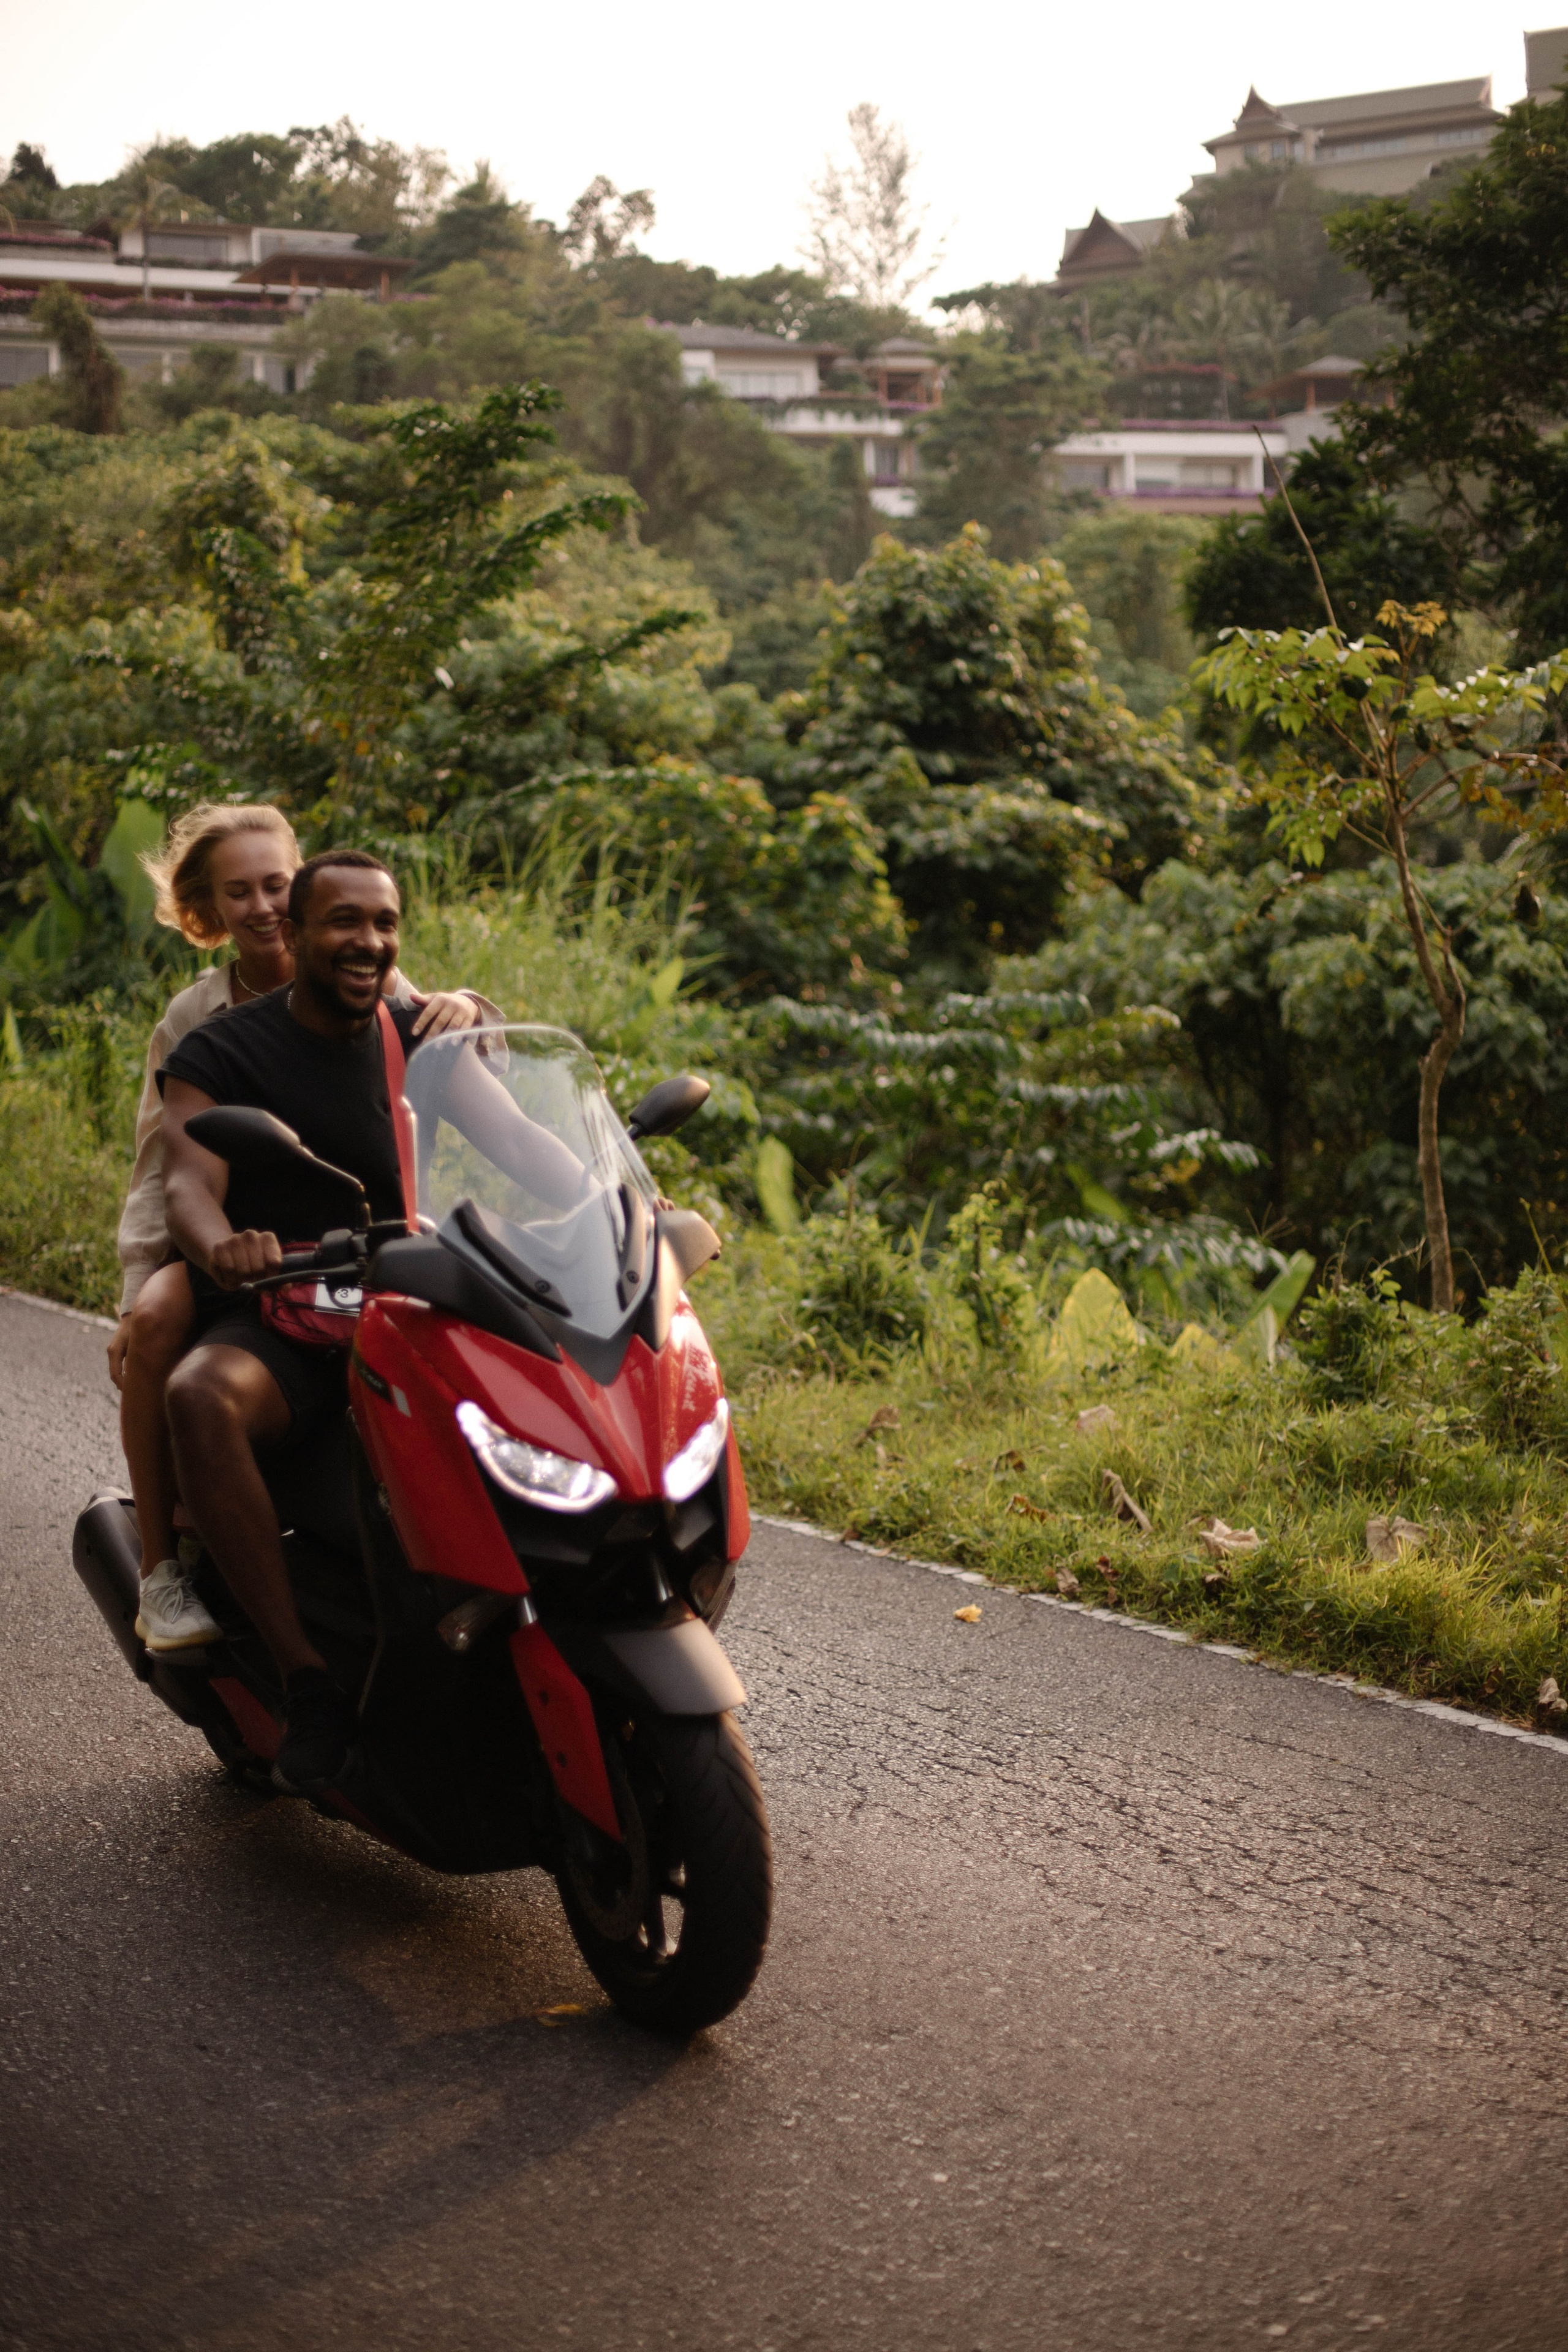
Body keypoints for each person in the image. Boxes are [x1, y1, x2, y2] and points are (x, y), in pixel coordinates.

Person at [159, 848, 585, 1793]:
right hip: (284, 1312)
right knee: (200, 1396)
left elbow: (519, 1138)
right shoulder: (223, 1053)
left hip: (401, 1307)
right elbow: (188, 1182)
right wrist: (225, 1242)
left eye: (384, 924)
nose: (368, 942)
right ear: (296, 932)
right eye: (344, 922)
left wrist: (618, 1209)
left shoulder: (415, 1041)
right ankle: (306, 1681)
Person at [109, 804, 493, 1654]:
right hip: (248, 1242)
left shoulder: (366, 979)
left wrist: (472, 1005)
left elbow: (441, 1033)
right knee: (166, 1326)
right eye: (237, 893)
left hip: (365, 1249)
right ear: (213, 910)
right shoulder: (199, 1022)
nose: (261, 907)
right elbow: (164, 1171)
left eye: (275, 884)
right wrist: (144, 1286)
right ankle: (162, 1563)